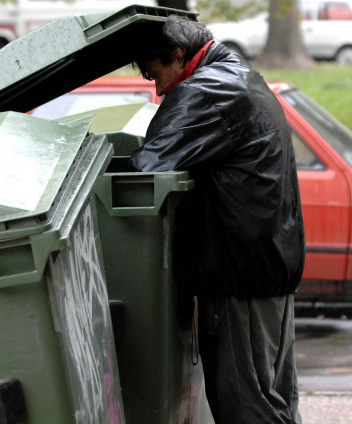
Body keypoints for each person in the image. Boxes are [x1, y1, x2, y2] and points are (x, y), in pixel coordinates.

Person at [130, 15, 306, 424]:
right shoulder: (241, 75)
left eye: (156, 74)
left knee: (247, 409)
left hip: (238, 280)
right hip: (270, 270)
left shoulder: (207, 90)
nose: (157, 89)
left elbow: (147, 169)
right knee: (275, 402)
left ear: (178, 55)